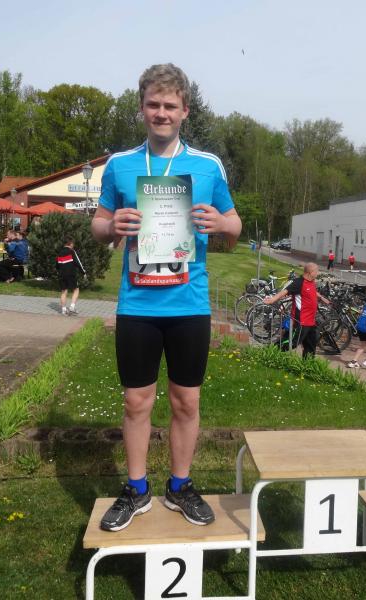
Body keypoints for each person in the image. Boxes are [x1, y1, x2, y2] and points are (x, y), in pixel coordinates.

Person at [90, 63, 242, 531]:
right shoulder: (120, 164)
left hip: (188, 305)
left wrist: (221, 224)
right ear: (141, 108)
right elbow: (98, 223)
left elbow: (235, 226)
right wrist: (111, 227)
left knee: (186, 402)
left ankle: (180, 486)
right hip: (137, 304)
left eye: (170, 105)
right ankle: (136, 489)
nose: (161, 113)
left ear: (184, 111)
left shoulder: (208, 165)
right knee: (136, 402)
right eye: (153, 104)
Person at [264, 262, 328, 359]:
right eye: (316, 271)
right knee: (291, 342)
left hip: (311, 321)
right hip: (301, 321)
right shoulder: (299, 283)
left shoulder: (311, 282)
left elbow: (313, 291)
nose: (318, 273)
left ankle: (308, 364)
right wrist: (272, 300)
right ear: (311, 272)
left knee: (310, 345)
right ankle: (269, 353)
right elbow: (285, 291)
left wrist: (321, 297)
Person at [57, 237, 86, 314]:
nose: (73, 245)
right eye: (73, 243)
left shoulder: (60, 252)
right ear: (71, 243)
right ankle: (72, 307)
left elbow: (57, 265)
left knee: (64, 291)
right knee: (76, 290)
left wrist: (60, 271)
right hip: (71, 274)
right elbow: (78, 262)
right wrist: (83, 272)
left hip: (62, 274)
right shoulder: (72, 251)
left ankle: (63, 310)